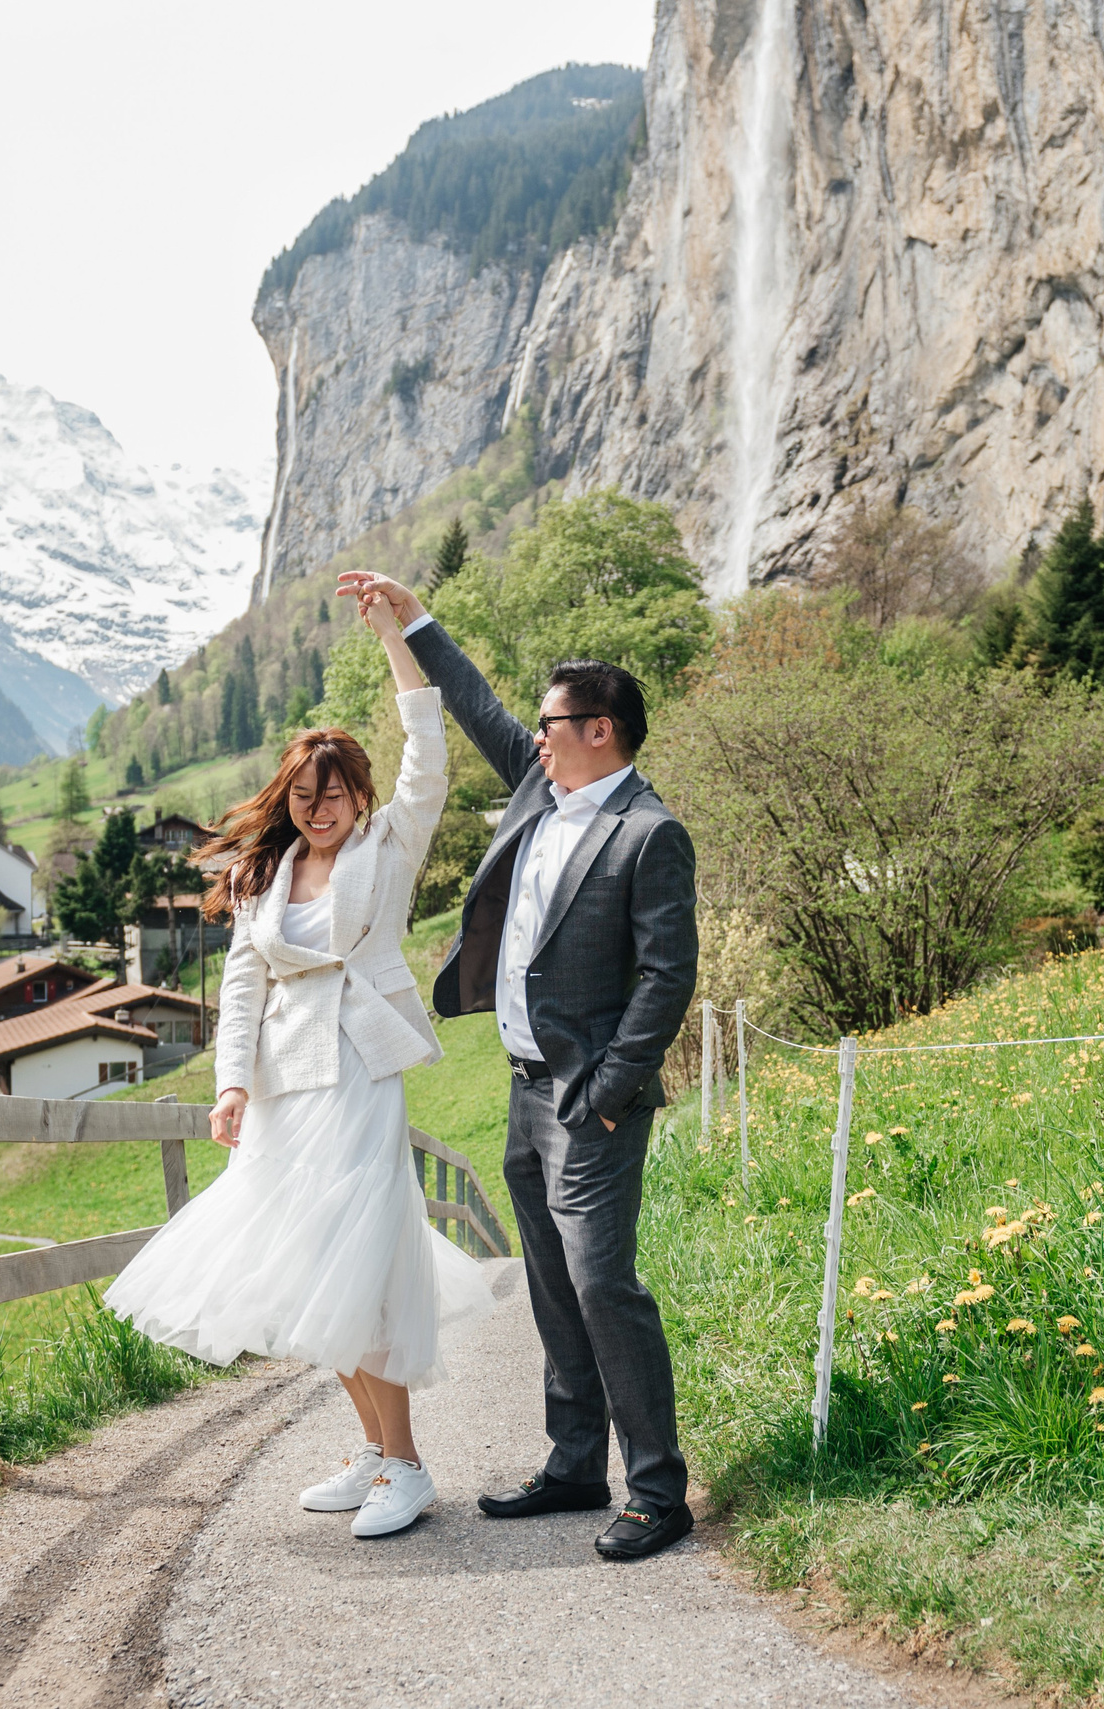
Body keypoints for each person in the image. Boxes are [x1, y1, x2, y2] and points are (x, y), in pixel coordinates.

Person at [105, 586, 492, 1540]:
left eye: (335, 794)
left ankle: (406, 1465)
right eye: (306, 797)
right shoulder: (266, 878)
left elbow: (426, 748)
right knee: (303, 1265)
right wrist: (228, 1082)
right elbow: (243, 986)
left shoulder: (391, 844)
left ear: (361, 795)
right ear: (291, 800)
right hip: (285, 1084)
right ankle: (373, 1449)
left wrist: (398, 640)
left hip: (362, 1071)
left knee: (357, 1259)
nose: (320, 811)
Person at [334, 568, 700, 1563]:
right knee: (550, 1283)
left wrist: (607, 1089)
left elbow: (668, 979)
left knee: (602, 1284)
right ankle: (577, 1465)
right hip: (524, 1086)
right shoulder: (543, 784)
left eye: (553, 722)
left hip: (590, 1099)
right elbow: (477, 703)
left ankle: (657, 1490)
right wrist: (412, 620)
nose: (533, 734)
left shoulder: (648, 833)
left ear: (600, 727)